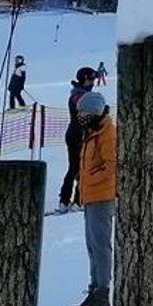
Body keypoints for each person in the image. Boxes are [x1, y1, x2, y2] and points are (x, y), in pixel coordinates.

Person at [70, 91, 117, 306]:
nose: (80, 116)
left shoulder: (107, 133)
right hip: (90, 196)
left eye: (83, 112)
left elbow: (111, 165)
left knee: (100, 246)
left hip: (101, 197)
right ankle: (94, 286)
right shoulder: (91, 133)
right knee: (92, 245)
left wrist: (91, 178)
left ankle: (102, 292)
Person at [59, 66, 97, 210]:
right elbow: (87, 114)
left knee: (74, 167)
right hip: (79, 135)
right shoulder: (80, 96)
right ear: (84, 80)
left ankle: (65, 201)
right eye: (91, 80)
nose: (93, 83)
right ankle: (77, 200)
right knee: (81, 167)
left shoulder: (78, 94)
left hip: (74, 134)